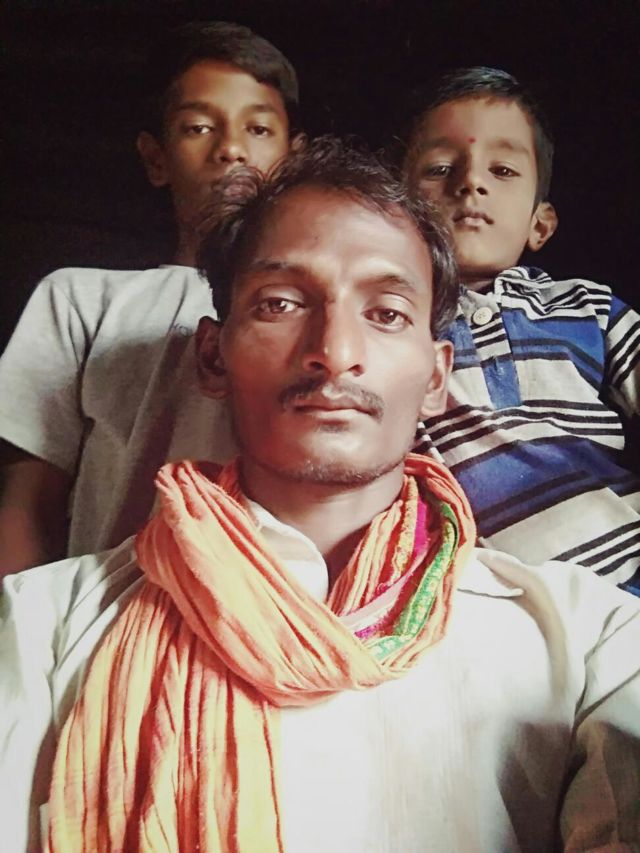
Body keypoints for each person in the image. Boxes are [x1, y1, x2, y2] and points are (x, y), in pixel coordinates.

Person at [1, 138, 638, 852]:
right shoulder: (40, 628)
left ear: (436, 376)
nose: (334, 351)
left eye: (387, 313)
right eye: (280, 303)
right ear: (213, 356)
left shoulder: (590, 641)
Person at [0, 21, 302, 574]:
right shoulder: (78, 300)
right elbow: (27, 502)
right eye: (198, 127)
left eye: (258, 129)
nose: (231, 148)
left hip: (269, 612)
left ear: (292, 158)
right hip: (95, 615)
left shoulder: (323, 314)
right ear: (156, 158)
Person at [403, 67, 640, 594]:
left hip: (626, 576)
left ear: (540, 224)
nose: (470, 182)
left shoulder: (588, 307)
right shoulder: (390, 319)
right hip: (486, 602)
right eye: (440, 168)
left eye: (503, 170)